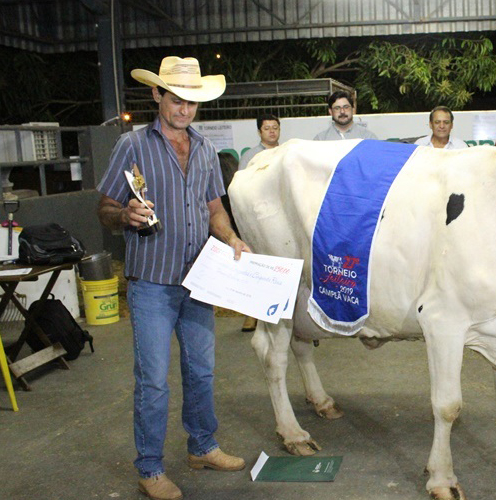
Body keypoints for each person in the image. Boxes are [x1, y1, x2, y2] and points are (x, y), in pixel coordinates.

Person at [96, 56, 250, 500]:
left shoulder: (203, 150)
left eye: (191, 102)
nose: (184, 110)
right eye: (176, 99)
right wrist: (124, 213)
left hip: (199, 281)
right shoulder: (132, 146)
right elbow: (104, 208)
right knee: (154, 380)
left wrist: (233, 239)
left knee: (201, 372)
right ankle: (149, 468)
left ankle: (202, 447)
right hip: (151, 284)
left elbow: (214, 210)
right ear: (157, 95)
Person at [237, 114, 280, 332]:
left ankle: (288, 312)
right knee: (256, 266)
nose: (272, 132)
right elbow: (242, 189)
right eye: (267, 128)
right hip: (257, 218)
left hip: (282, 220)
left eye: (275, 128)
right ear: (259, 132)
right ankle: (252, 314)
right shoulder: (250, 157)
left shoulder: (287, 154)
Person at [313, 90, 378, 141]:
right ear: (330, 111)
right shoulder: (320, 140)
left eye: (346, 107)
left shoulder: (368, 138)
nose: (342, 112)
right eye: (337, 108)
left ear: (353, 109)